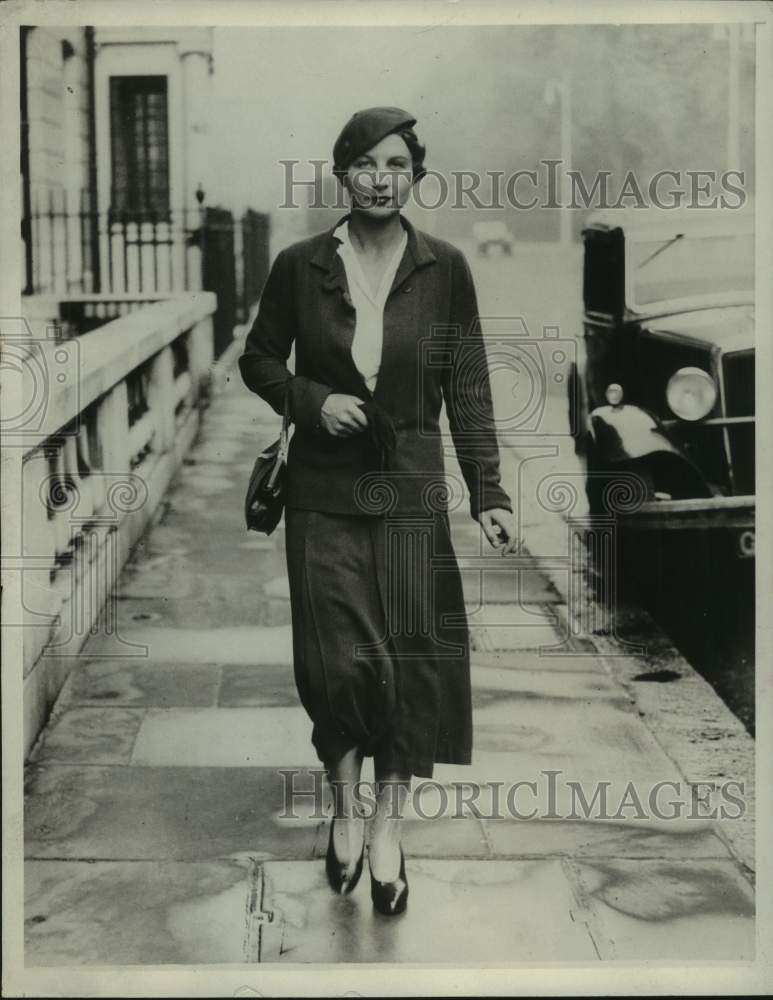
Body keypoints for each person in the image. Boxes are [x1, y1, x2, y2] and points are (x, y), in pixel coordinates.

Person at [239, 106, 518, 916]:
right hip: (323, 495)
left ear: (415, 175)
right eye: (365, 164)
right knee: (339, 665)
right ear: (342, 174)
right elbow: (258, 357)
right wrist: (309, 399)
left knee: (408, 665)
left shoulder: (445, 267)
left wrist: (488, 492)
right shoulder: (299, 266)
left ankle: (389, 828)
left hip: (409, 494)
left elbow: (466, 384)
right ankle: (344, 811)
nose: (381, 178)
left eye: (396, 164)